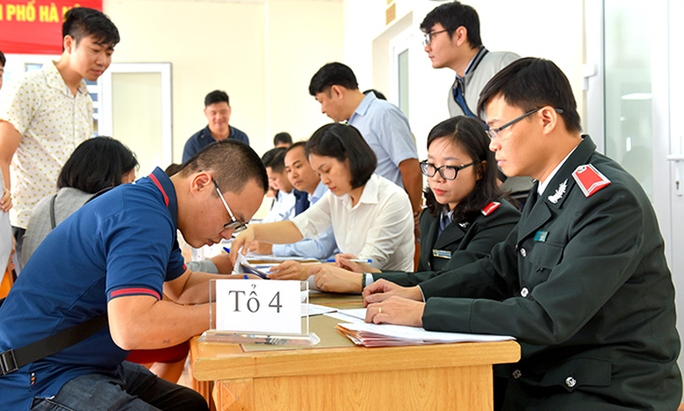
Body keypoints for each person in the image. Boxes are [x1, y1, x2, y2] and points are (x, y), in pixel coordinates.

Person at [362, 58, 682, 410]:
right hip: (548, 369)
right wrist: (417, 293)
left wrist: (426, 314)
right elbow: (498, 268)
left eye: (499, 129)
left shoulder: (608, 199)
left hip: (605, 386)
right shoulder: (547, 188)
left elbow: (548, 315)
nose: (493, 144)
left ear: (545, 118)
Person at [0, 139, 268, 410]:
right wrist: (232, 310)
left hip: (79, 362)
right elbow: (132, 326)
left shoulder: (153, 205)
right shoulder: (141, 216)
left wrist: (246, 286)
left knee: (190, 404)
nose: (227, 233)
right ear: (201, 183)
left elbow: (182, 287)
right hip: (35, 374)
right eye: (231, 219)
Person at [311, 116, 520, 293]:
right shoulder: (432, 215)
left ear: (480, 170)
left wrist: (363, 281)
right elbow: (423, 276)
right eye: (431, 165)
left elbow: (452, 282)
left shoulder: (499, 218)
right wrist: (371, 272)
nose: (437, 178)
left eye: (449, 168)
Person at [0, 8, 119, 269]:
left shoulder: (85, 98)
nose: (103, 60)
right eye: (96, 49)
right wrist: (2, 226)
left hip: (71, 221)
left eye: (109, 53)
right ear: (69, 43)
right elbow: (2, 157)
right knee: (31, 305)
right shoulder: (29, 87)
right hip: (29, 222)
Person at [232, 123, 415, 280]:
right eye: (319, 174)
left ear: (350, 158)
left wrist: (306, 271)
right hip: (349, 290)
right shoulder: (338, 196)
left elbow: (365, 264)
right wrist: (254, 231)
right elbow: (300, 227)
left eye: (326, 170)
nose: (324, 180)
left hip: (388, 294)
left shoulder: (392, 199)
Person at [420, 1, 532, 205]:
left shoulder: (502, 65)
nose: (427, 47)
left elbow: (523, 125)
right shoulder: (453, 92)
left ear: (460, 35)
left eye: (432, 35)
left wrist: (494, 179)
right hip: (488, 196)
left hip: (520, 193)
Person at [309, 62, 423, 217]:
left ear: (337, 91)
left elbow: (410, 167)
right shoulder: (352, 124)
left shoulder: (382, 113)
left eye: (321, 101)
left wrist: (411, 213)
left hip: (391, 215)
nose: (322, 110)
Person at [21, 137, 138, 264]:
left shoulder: (45, 204)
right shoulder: (103, 211)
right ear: (111, 178)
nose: (131, 189)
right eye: (130, 182)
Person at [249, 142, 338, 259]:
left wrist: (273, 247)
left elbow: (321, 247)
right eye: (289, 170)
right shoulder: (311, 197)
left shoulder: (329, 193)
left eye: (298, 166)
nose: (293, 175)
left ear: (314, 163)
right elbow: (300, 230)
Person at [182, 90, 249, 162]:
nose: (219, 117)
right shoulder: (194, 143)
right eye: (213, 113)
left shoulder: (241, 138)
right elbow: (187, 173)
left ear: (230, 110)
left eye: (223, 112)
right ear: (205, 112)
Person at [260, 147, 296, 223]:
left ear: (287, 171)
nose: (271, 184)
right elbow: (269, 220)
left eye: (273, 179)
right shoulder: (282, 193)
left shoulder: (300, 196)